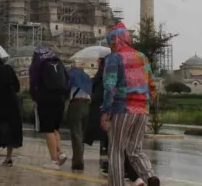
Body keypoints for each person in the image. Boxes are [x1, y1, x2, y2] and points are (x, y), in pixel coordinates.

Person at [101, 22, 160, 186]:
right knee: (135, 149)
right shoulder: (142, 57)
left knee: (116, 150)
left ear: (115, 40)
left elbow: (109, 87)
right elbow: (152, 85)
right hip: (142, 110)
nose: (110, 45)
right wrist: (148, 103)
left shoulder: (114, 58)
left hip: (122, 108)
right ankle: (150, 176)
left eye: (110, 42)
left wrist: (106, 111)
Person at [84, 57, 139, 181]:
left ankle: (125, 173)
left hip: (108, 112)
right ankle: (128, 172)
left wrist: (106, 111)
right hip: (119, 110)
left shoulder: (103, 77)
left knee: (114, 145)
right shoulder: (114, 74)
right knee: (116, 143)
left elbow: (106, 92)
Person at [29, 45, 70, 170]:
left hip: (46, 99)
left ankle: (54, 161)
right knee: (54, 128)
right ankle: (61, 153)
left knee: (48, 130)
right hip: (60, 100)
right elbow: (68, 80)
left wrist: (35, 97)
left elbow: (33, 83)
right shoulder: (59, 62)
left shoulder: (38, 65)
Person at [0, 56, 22, 167]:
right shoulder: (9, 69)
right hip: (13, 104)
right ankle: (8, 158)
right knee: (10, 130)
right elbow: (17, 87)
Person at [67, 65, 92, 171]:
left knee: (76, 134)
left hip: (76, 104)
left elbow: (65, 88)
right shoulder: (87, 77)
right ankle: (79, 159)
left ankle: (78, 163)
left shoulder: (71, 75)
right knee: (81, 134)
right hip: (87, 105)